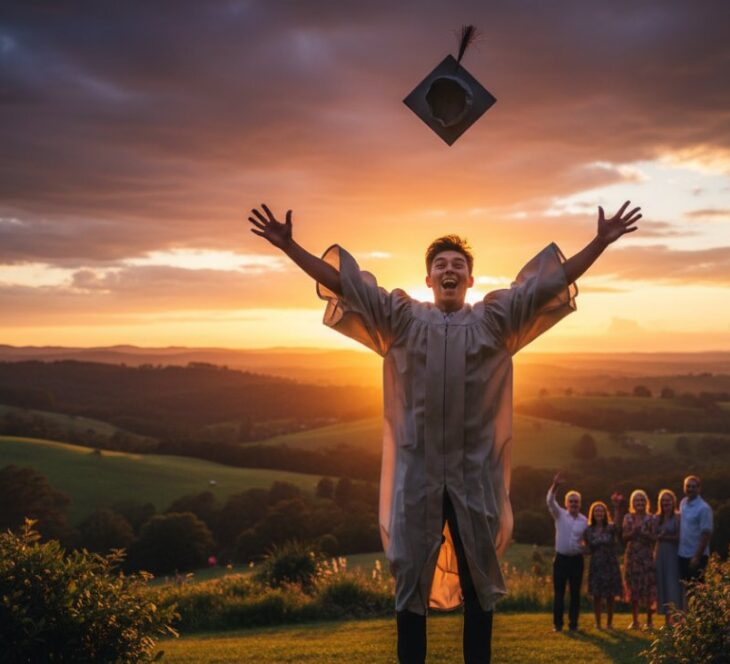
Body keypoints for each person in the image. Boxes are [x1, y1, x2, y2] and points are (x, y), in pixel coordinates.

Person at [248, 201, 642, 663]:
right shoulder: (400, 319)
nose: (449, 269)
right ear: (429, 279)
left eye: (458, 265)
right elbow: (345, 283)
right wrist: (290, 245)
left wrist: (598, 242)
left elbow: (546, 285)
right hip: (416, 480)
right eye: (440, 265)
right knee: (409, 582)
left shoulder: (495, 320)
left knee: (479, 581)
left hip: (475, 480)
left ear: (471, 279)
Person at [546, 472, 587, 632]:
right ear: (566, 503)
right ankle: (557, 625)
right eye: (571, 501)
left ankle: (574, 625)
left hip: (577, 560)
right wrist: (555, 485)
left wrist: (586, 548)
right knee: (559, 594)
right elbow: (550, 500)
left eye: (576, 501)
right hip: (561, 560)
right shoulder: (559, 514)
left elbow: (588, 538)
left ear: (580, 503)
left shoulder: (584, 520)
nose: (574, 503)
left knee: (575, 595)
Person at [581, 495, 623, 630]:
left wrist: (617, 507)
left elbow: (617, 524)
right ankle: (598, 623)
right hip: (596, 564)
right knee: (597, 595)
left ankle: (609, 624)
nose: (599, 513)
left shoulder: (610, 527)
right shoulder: (588, 530)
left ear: (605, 513)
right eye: (596, 511)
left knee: (611, 595)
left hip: (610, 563)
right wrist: (581, 549)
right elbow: (587, 548)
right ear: (592, 514)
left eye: (601, 511)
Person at [622, 489, 657, 630]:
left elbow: (655, 538)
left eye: (642, 500)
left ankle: (649, 622)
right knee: (633, 586)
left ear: (646, 502)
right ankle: (635, 621)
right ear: (633, 503)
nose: (640, 502)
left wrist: (643, 533)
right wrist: (633, 532)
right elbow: (624, 537)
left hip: (647, 555)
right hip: (632, 556)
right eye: (637, 500)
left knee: (648, 586)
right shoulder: (628, 517)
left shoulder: (651, 518)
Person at [679, 475, 713, 606]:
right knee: (686, 589)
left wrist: (696, 557)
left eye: (694, 486)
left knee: (697, 590)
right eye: (688, 486)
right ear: (684, 488)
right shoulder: (683, 503)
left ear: (699, 489)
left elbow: (706, 534)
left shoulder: (704, 508)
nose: (690, 489)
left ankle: (701, 619)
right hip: (682, 554)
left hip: (696, 556)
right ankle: (688, 620)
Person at [654, 489, 682, 625]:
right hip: (660, 555)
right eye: (663, 500)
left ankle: (676, 620)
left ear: (673, 502)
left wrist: (665, 537)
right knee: (663, 585)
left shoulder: (678, 517)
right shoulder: (657, 518)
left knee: (673, 586)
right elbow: (653, 535)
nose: (666, 503)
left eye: (668, 500)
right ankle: (667, 622)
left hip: (673, 554)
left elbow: (680, 537)